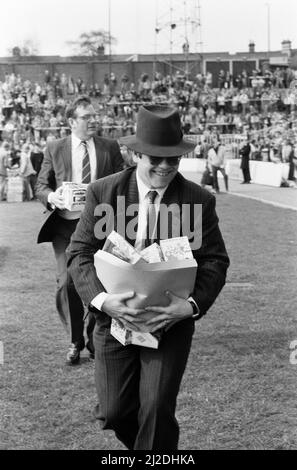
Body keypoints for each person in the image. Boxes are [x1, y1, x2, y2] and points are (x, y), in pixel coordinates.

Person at [67, 105, 230, 450]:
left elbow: (215, 260)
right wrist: (103, 300)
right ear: (134, 153)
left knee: (156, 409)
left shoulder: (199, 200)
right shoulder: (104, 192)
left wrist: (189, 307)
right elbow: (78, 253)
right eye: (156, 158)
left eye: (174, 159)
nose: (166, 167)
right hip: (115, 320)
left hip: (167, 323)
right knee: (113, 412)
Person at [35, 95, 124, 365]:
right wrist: (53, 197)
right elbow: (41, 185)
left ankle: (92, 337)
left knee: (98, 284)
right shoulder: (55, 147)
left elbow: (123, 181)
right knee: (67, 284)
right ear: (72, 121)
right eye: (87, 117)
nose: (93, 120)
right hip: (65, 227)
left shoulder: (110, 147)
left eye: (94, 115)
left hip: (100, 227)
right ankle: (75, 341)